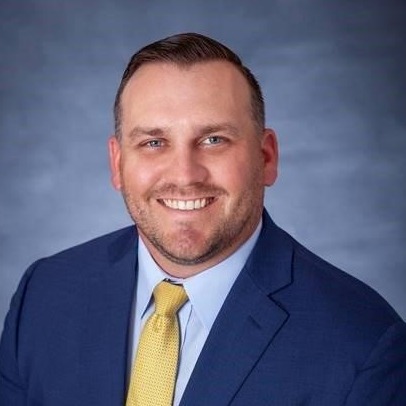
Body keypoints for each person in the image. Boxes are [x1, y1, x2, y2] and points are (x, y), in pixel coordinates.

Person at [0, 33, 405, 406]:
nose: (185, 175)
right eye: (154, 142)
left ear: (266, 157)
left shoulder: (363, 346)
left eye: (214, 140)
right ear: (118, 163)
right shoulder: (45, 296)